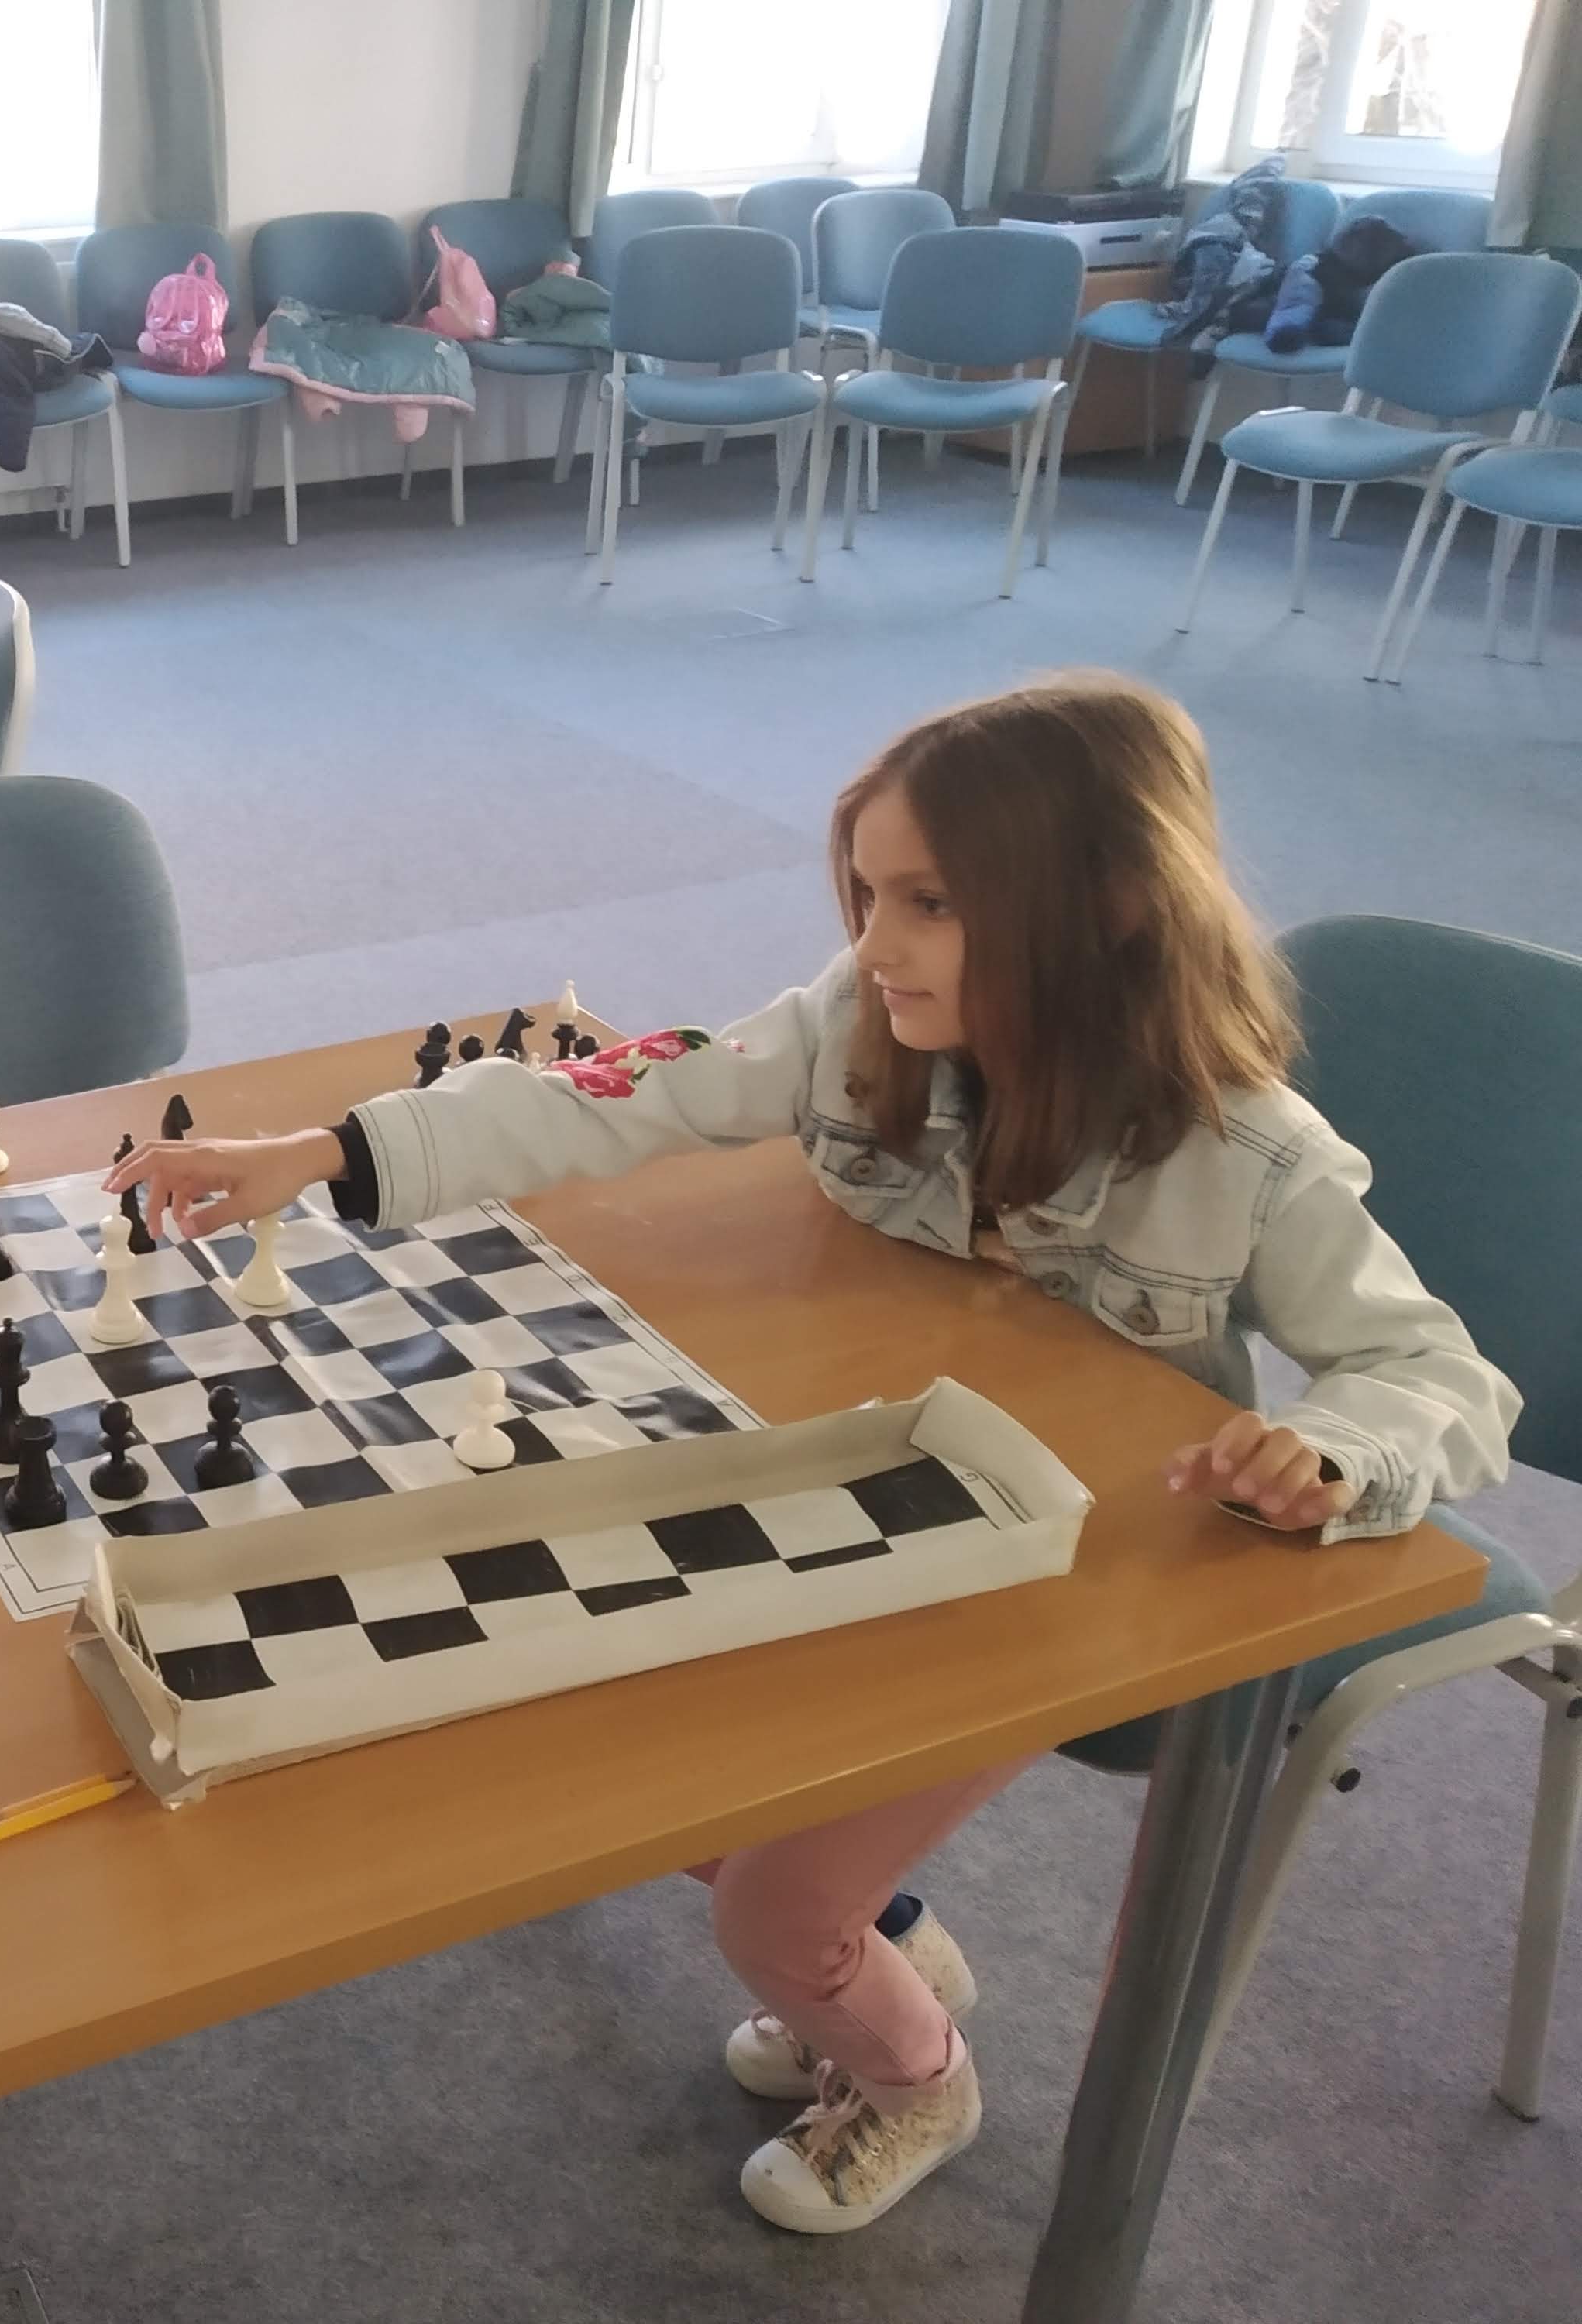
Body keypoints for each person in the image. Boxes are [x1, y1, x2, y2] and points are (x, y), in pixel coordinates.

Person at [109, 671, 1519, 2235]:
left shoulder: (1244, 1153)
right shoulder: (861, 1024)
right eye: (866, 893)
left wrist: (1327, 1452)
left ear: (1109, 908)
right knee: (657, 1764)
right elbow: (622, 1095)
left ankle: (913, 2074)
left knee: (767, 1910)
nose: (872, 943)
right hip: (861, 1495)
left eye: (929, 903)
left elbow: (1435, 1375)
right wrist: (320, 1152)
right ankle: (868, 1940)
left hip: (1064, 1570)